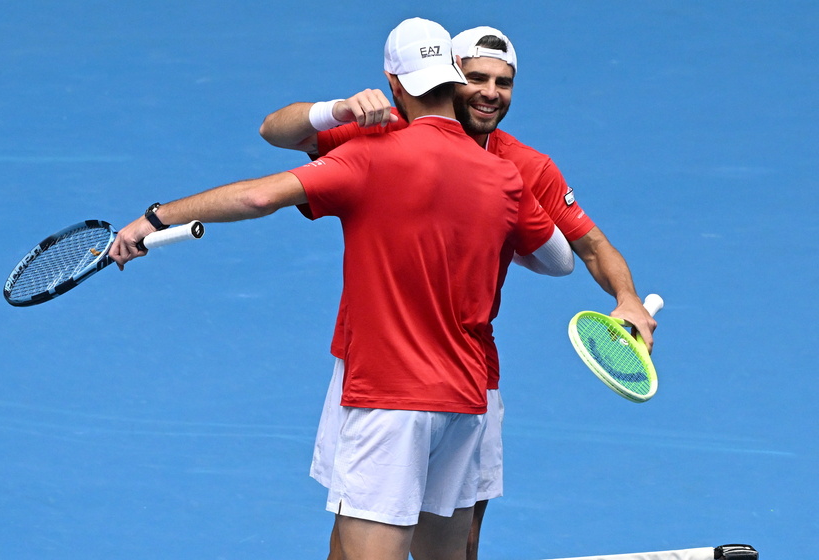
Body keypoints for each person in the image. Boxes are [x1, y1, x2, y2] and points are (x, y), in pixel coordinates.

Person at [109, 17, 568, 560]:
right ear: (455, 78)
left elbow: (259, 197)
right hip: (465, 399)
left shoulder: (371, 155)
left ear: (394, 85)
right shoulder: (504, 177)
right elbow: (558, 259)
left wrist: (155, 218)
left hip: (388, 398)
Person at [259, 25, 657, 560]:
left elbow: (591, 247)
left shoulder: (527, 167)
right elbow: (277, 130)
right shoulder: (382, 133)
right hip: (376, 369)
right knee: (350, 538)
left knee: (459, 543)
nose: (490, 92)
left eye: (504, 82)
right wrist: (340, 109)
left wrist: (626, 297)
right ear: (449, 78)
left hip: (470, 373)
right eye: (476, 78)